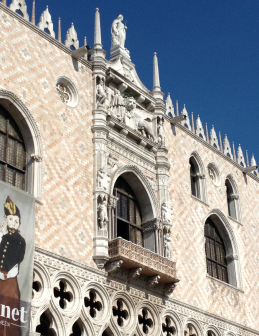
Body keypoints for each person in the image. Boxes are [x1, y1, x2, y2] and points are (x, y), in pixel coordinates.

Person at [0, 196, 26, 336]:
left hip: (9, 280)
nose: (14, 223)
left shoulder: (20, 241)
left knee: (9, 314)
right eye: (11, 219)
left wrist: (6, 237)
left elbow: (17, 259)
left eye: (17, 221)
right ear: (5, 218)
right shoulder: (1, 234)